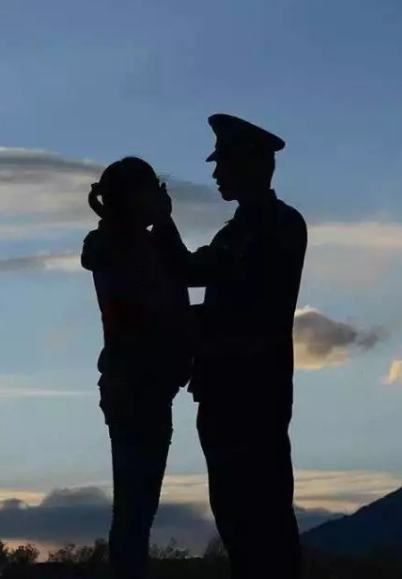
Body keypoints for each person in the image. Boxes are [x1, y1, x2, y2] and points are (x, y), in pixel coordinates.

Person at [153, 114, 307, 579]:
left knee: (262, 515)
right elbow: (203, 280)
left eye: (224, 164)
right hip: (226, 387)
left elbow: (209, 281)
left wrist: (162, 223)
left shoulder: (276, 226)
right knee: (236, 515)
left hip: (252, 389)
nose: (217, 174)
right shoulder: (240, 231)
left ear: (250, 166)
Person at [81, 157, 192, 579]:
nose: (160, 197)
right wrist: (164, 223)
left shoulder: (119, 244)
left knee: (135, 510)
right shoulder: (129, 247)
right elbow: (178, 281)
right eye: (152, 191)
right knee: (135, 511)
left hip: (137, 387)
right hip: (138, 389)